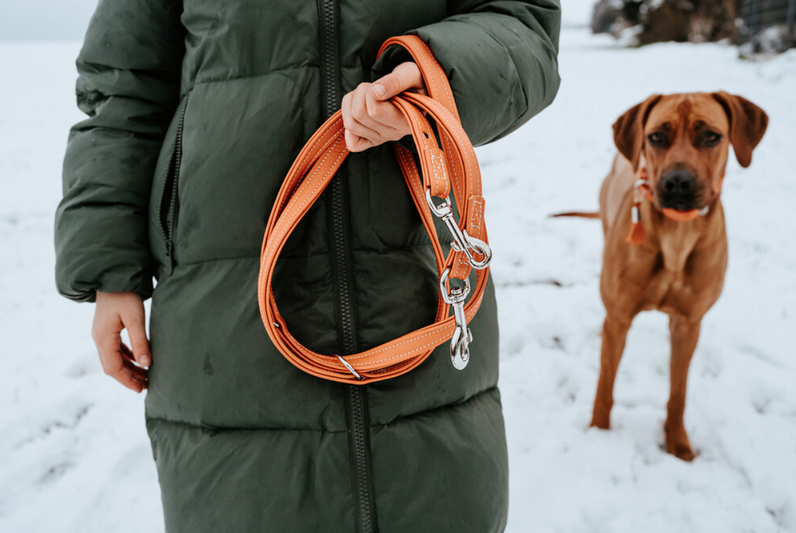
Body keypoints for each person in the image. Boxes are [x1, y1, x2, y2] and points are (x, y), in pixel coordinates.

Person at [54, 1, 560, 531]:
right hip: (222, 312)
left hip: (417, 287)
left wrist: (438, 74)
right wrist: (110, 264)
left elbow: (522, 24)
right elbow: (123, 86)